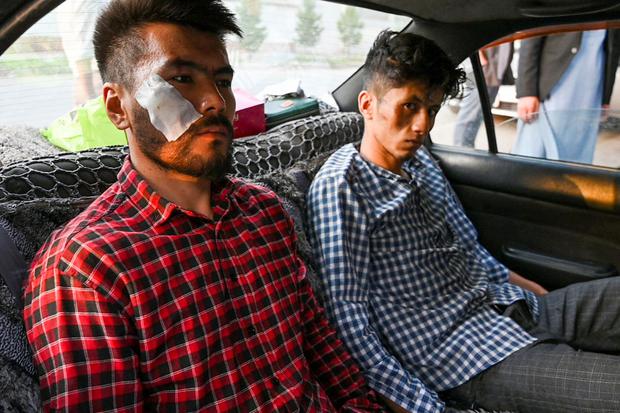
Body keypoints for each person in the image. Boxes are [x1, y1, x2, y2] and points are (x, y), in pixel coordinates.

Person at [22, 1, 387, 411]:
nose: (216, 101)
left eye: (223, 81)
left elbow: (320, 343)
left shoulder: (265, 212)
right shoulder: (86, 267)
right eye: (181, 79)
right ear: (116, 108)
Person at [307, 29, 620, 413]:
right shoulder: (342, 186)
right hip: (467, 359)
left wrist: (538, 295)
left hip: (507, 308)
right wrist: (425, 407)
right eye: (409, 106)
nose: (423, 125)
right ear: (367, 104)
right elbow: (349, 320)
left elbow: (470, 249)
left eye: (432, 109)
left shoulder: (422, 162)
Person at [513, 30, 620, 163]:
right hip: (549, 88)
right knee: (532, 155)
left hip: (591, 90)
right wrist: (527, 92)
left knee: (578, 156)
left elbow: (613, 46)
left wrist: (605, 96)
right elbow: (532, 36)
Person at [453, 43, 514, 147]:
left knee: (476, 117)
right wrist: (478, 57)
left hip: (494, 74)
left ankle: (465, 148)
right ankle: (463, 151)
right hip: (484, 72)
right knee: (470, 119)